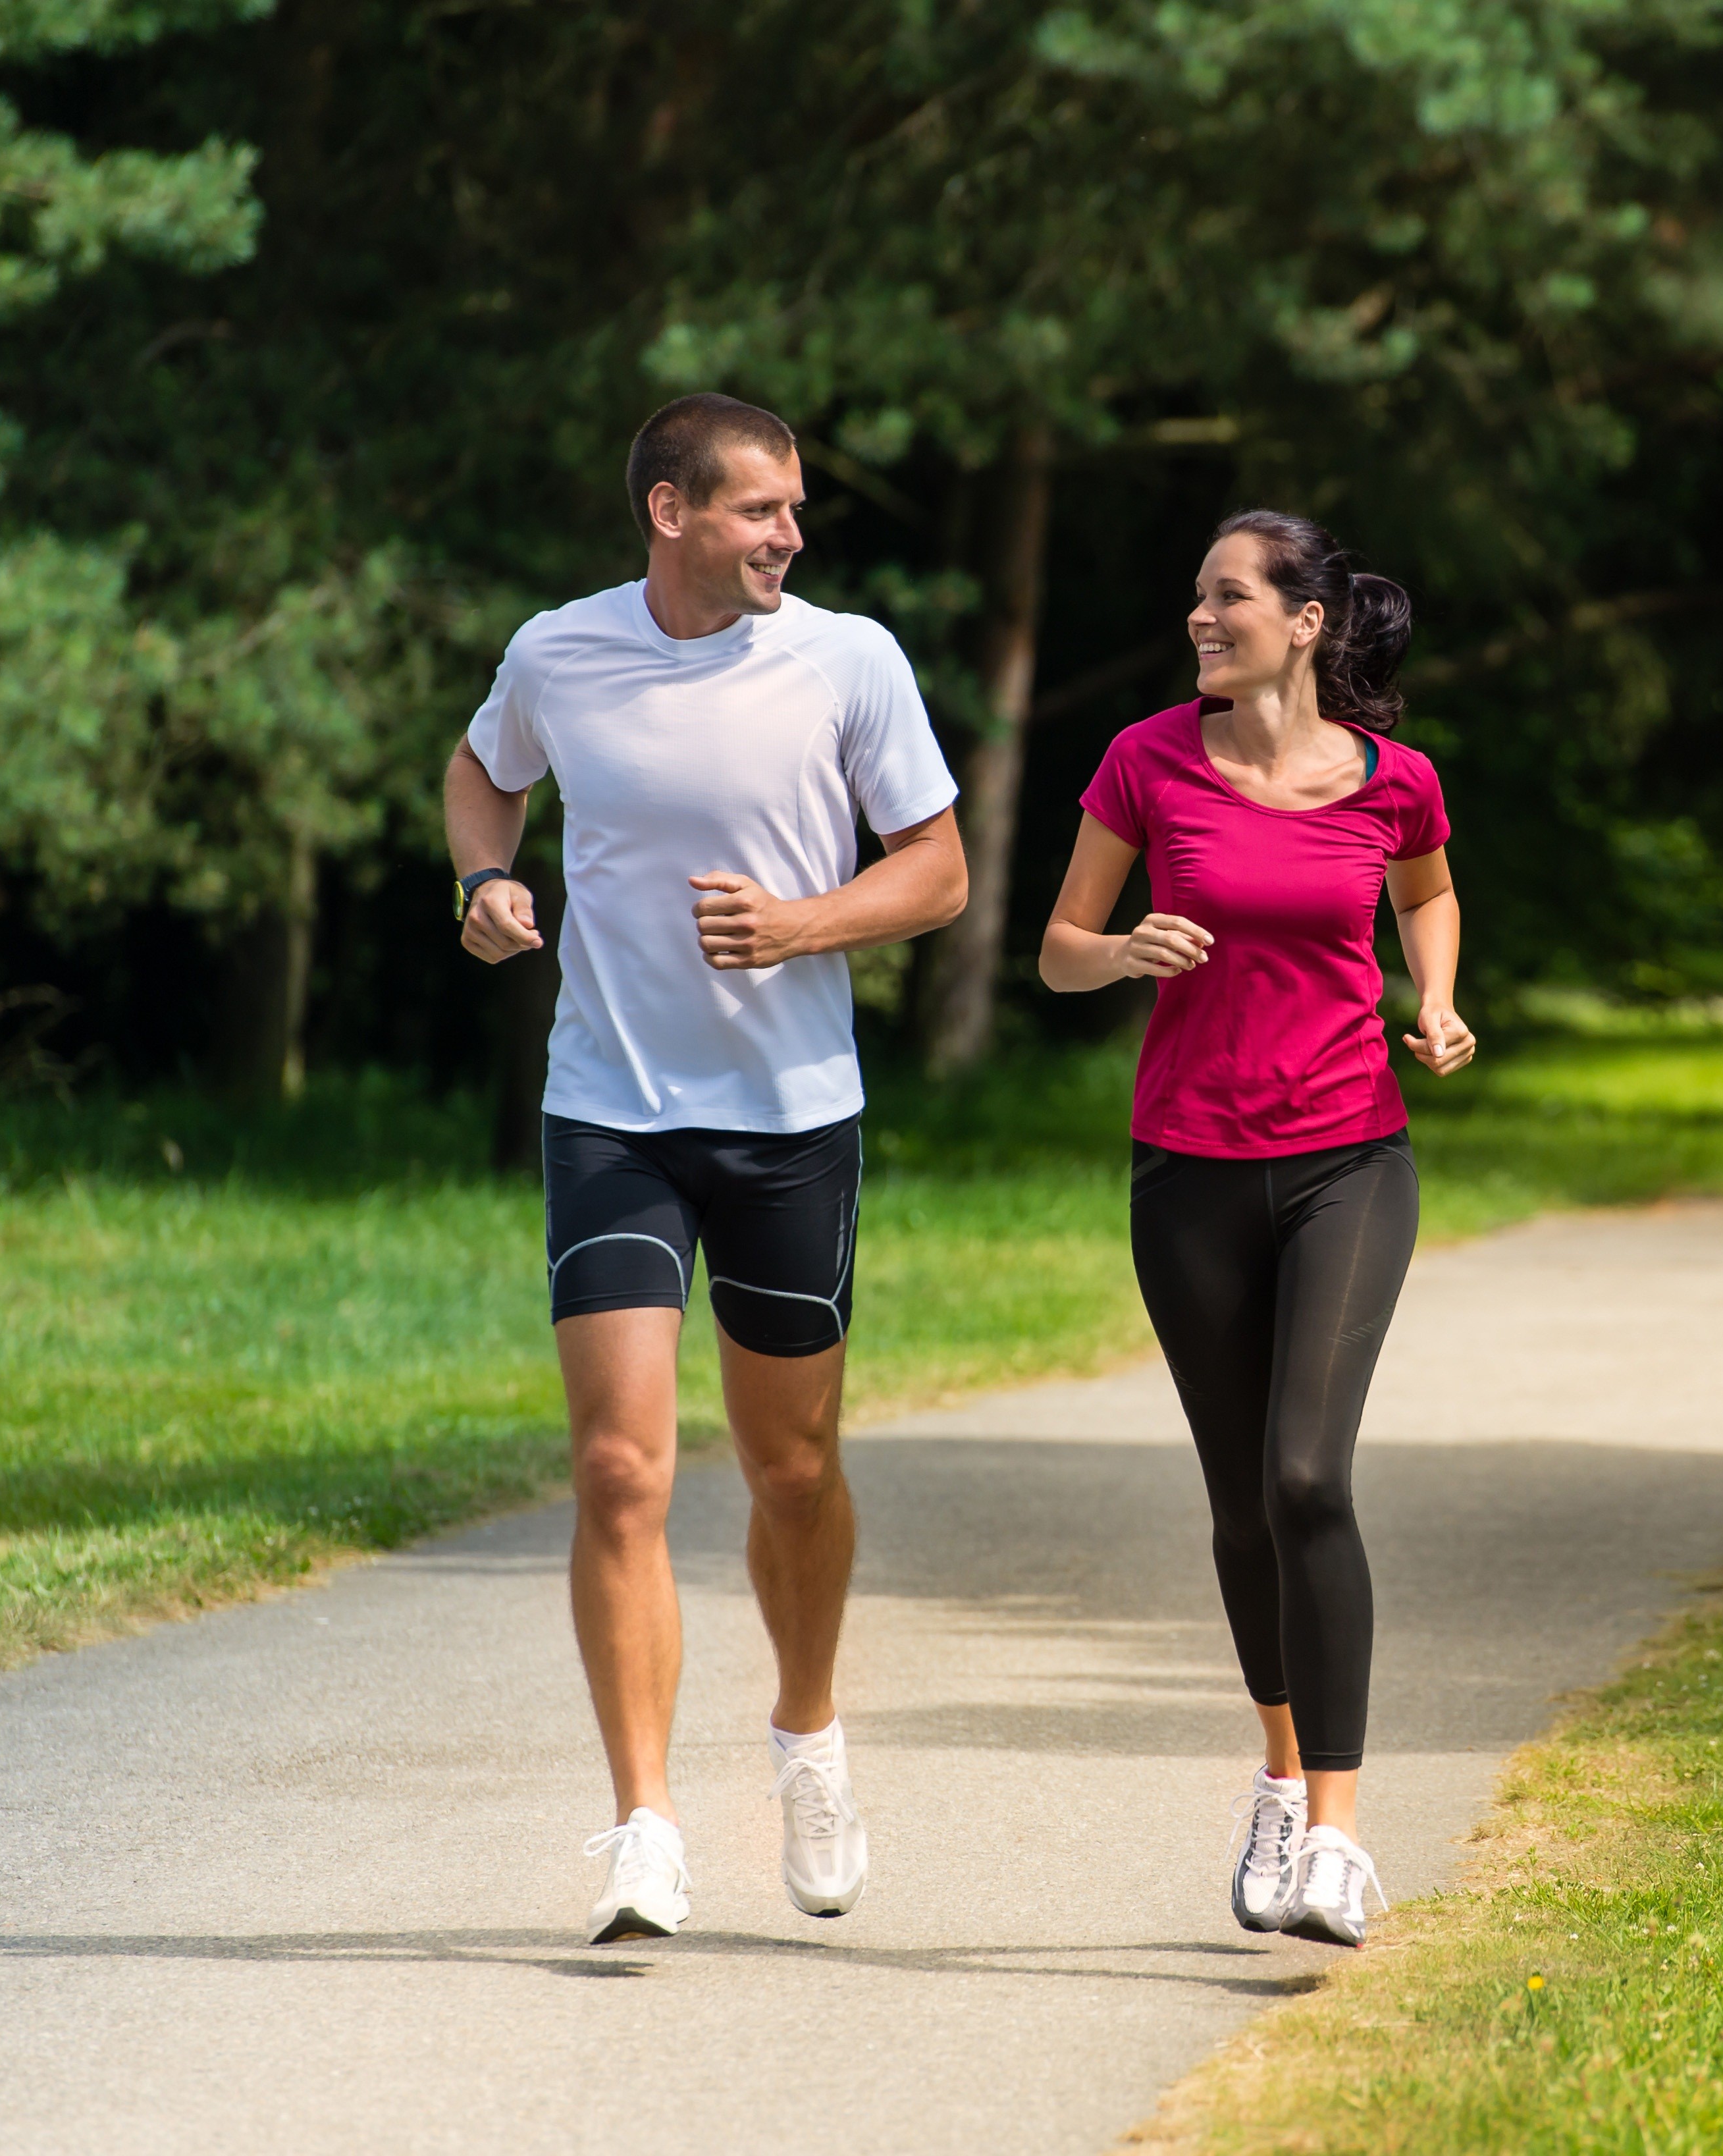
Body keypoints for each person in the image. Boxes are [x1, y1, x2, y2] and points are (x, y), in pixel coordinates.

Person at [445, 392, 967, 1944]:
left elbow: (937, 870)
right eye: (758, 510)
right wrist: (486, 873)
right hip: (610, 1105)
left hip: (790, 1112)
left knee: (790, 1466)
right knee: (619, 1465)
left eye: (794, 510)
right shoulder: (560, 652)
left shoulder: (850, 659)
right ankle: (645, 1823)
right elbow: (483, 770)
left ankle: (808, 1736)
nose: (789, 535)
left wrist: (805, 921)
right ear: (670, 512)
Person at [1038, 510, 1473, 1948]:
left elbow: (1429, 890)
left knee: (1308, 1476)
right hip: (1190, 1168)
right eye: (1196, 596)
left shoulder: (1392, 779)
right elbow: (1059, 946)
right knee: (1240, 1503)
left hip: (1352, 1153)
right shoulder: (1146, 760)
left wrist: (1436, 996)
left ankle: (1342, 1839)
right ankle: (1280, 1776)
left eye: (1227, 596)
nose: (1199, 617)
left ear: (1305, 622)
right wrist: (1125, 950)